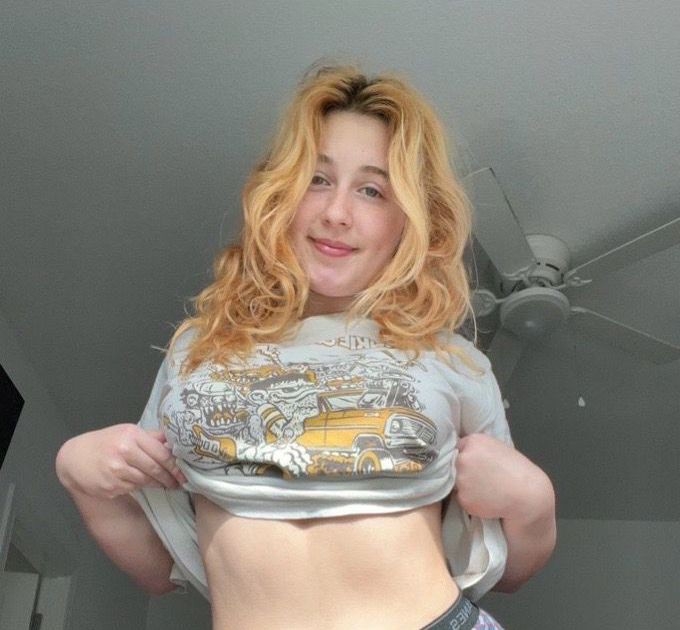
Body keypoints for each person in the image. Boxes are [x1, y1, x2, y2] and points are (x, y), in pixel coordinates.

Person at [56, 65, 556, 630]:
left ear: (410, 220)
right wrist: (80, 476)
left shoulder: (451, 360)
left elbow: (511, 574)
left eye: (372, 190)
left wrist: (535, 502)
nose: (336, 213)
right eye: (317, 180)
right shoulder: (199, 347)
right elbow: (157, 572)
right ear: (280, 194)